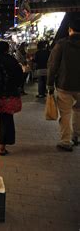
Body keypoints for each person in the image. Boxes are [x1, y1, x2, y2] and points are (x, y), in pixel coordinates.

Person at [47, 15, 80, 152]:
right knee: (78, 111)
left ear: (70, 29)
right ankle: (76, 136)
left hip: (64, 85)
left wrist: (49, 84)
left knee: (65, 114)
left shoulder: (61, 44)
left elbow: (53, 65)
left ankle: (66, 141)